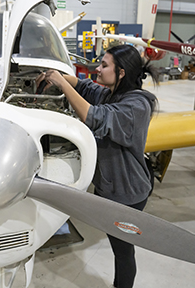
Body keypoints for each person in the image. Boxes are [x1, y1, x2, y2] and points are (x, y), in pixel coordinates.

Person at [36, 44, 159, 288]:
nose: (98, 69)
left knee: (123, 250)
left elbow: (94, 116)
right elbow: (85, 87)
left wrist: (61, 84)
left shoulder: (136, 106)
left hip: (127, 191)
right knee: (119, 246)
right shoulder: (114, 93)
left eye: (104, 65)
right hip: (111, 189)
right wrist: (55, 75)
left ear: (121, 72)